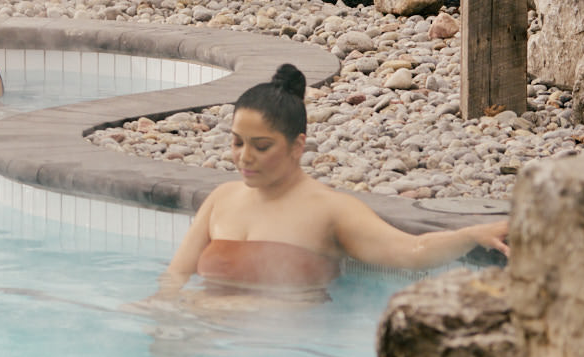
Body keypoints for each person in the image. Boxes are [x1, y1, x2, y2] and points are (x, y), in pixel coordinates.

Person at [156, 64, 507, 296]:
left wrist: (471, 234)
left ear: (298, 146)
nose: (244, 157)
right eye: (237, 142)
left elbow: (410, 252)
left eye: (261, 146)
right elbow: (174, 278)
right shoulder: (222, 199)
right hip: (206, 336)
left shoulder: (331, 210)